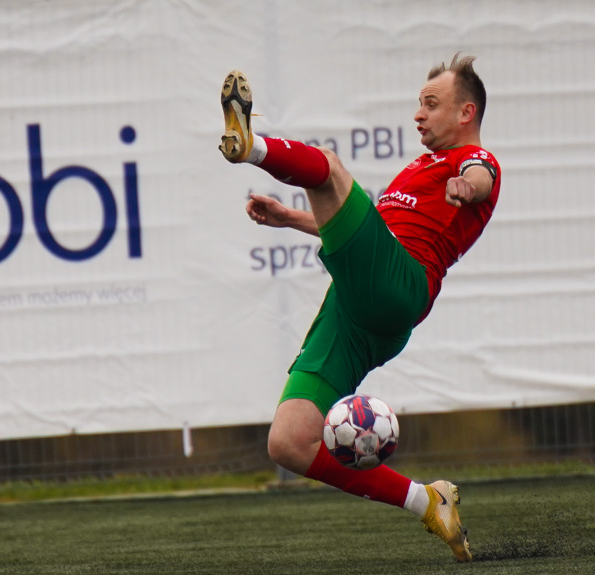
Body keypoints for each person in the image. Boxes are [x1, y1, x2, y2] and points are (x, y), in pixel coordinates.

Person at [219, 53, 501, 562]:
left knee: (326, 167)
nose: (419, 114)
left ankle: (250, 147)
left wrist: (468, 186)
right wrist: (291, 220)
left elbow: (480, 175)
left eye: (431, 104)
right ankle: (427, 501)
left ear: (466, 113)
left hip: (399, 287)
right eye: (418, 104)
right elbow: (371, 234)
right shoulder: (419, 167)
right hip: (359, 310)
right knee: (289, 443)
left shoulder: (472, 163)